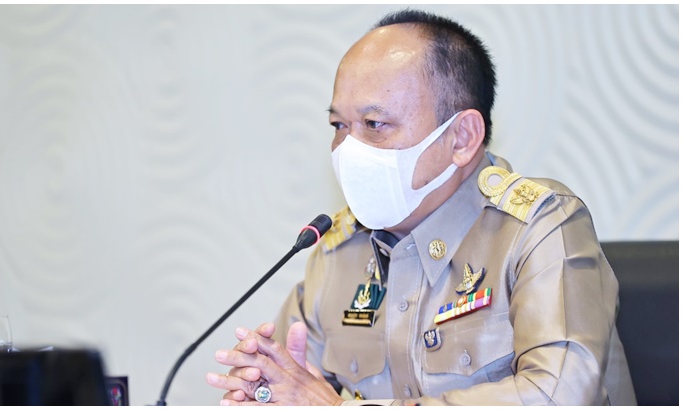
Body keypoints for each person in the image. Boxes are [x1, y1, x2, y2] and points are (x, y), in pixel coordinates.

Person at [206, 8, 636, 406]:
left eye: (374, 124)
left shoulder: (540, 227)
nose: (347, 148)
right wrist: (267, 388)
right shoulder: (337, 250)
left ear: (462, 138)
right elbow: (298, 384)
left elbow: (559, 396)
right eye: (338, 125)